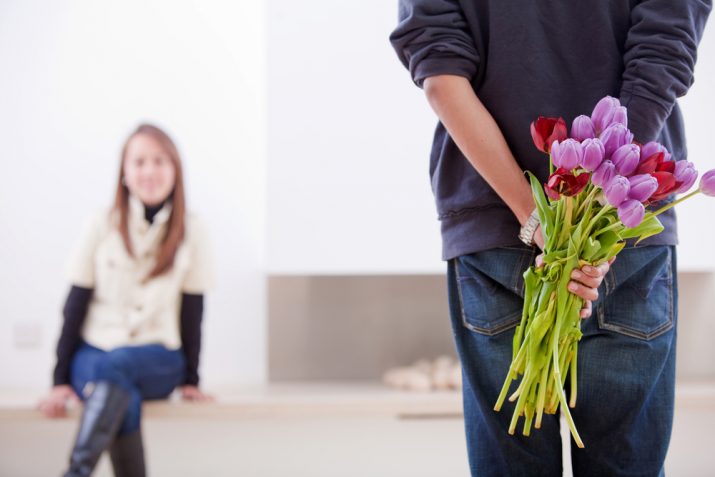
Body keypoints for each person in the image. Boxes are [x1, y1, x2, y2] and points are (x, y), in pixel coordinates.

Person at [390, 1, 711, 476]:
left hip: (497, 224)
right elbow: (663, 54)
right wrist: (594, 211)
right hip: (623, 231)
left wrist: (539, 217)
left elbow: (441, 73)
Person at [38, 124, 214, 477]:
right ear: (124, 172)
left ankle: (76, 472)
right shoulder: (101, 224)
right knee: (123, 396)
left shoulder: (193, 230)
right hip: (95, 351)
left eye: (159, 161)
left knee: (116, 368)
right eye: (139, 162)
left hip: (157, 356)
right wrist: (59, 380)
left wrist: (192, 379)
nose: (149, 171)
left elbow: (193, 309)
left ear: (175, 169)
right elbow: (74, 305)